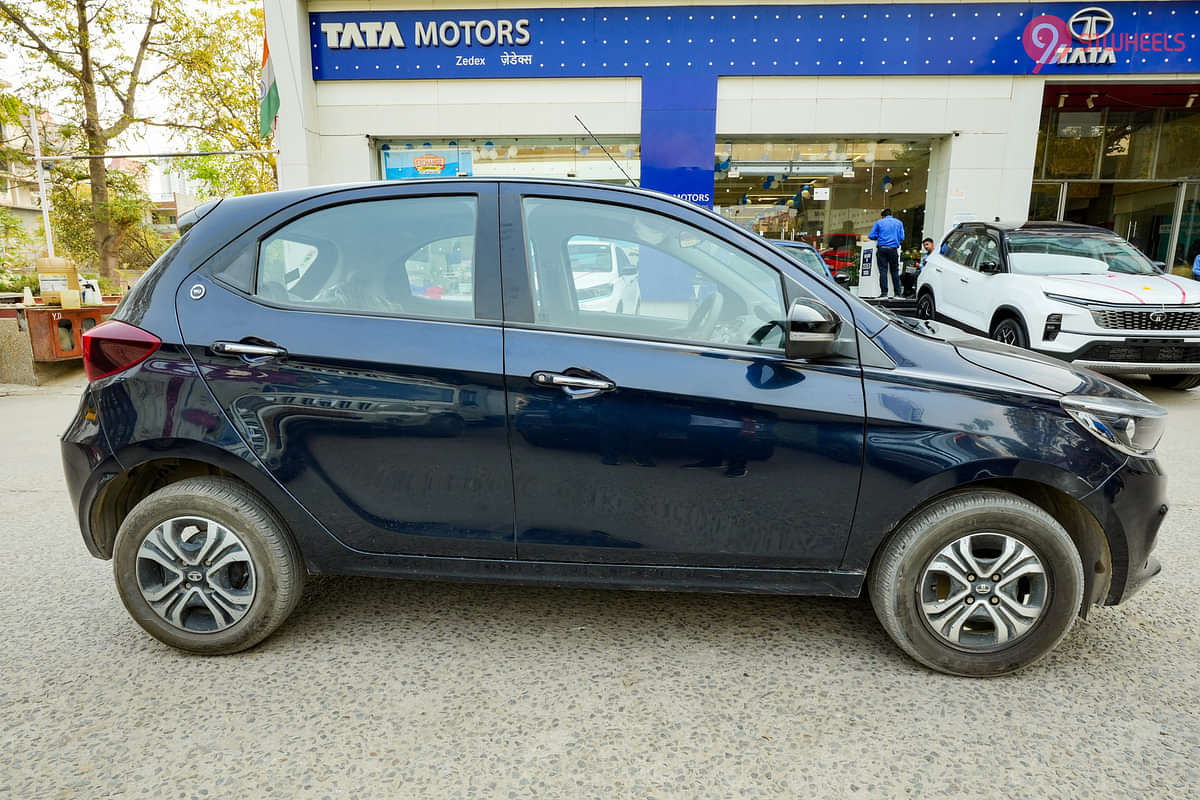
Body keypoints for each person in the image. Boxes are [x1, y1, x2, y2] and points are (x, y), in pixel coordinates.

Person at [868, 209, 904, 297]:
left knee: (883, 271)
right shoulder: (899, 223)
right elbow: (902, 237)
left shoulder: (879, 222)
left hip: (882, 249)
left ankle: (884, 293)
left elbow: (871, 236)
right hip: (893, 249)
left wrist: (879, 236)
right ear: (891, 215)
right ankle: (897, 294)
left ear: (883, 216)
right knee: (895, 271)